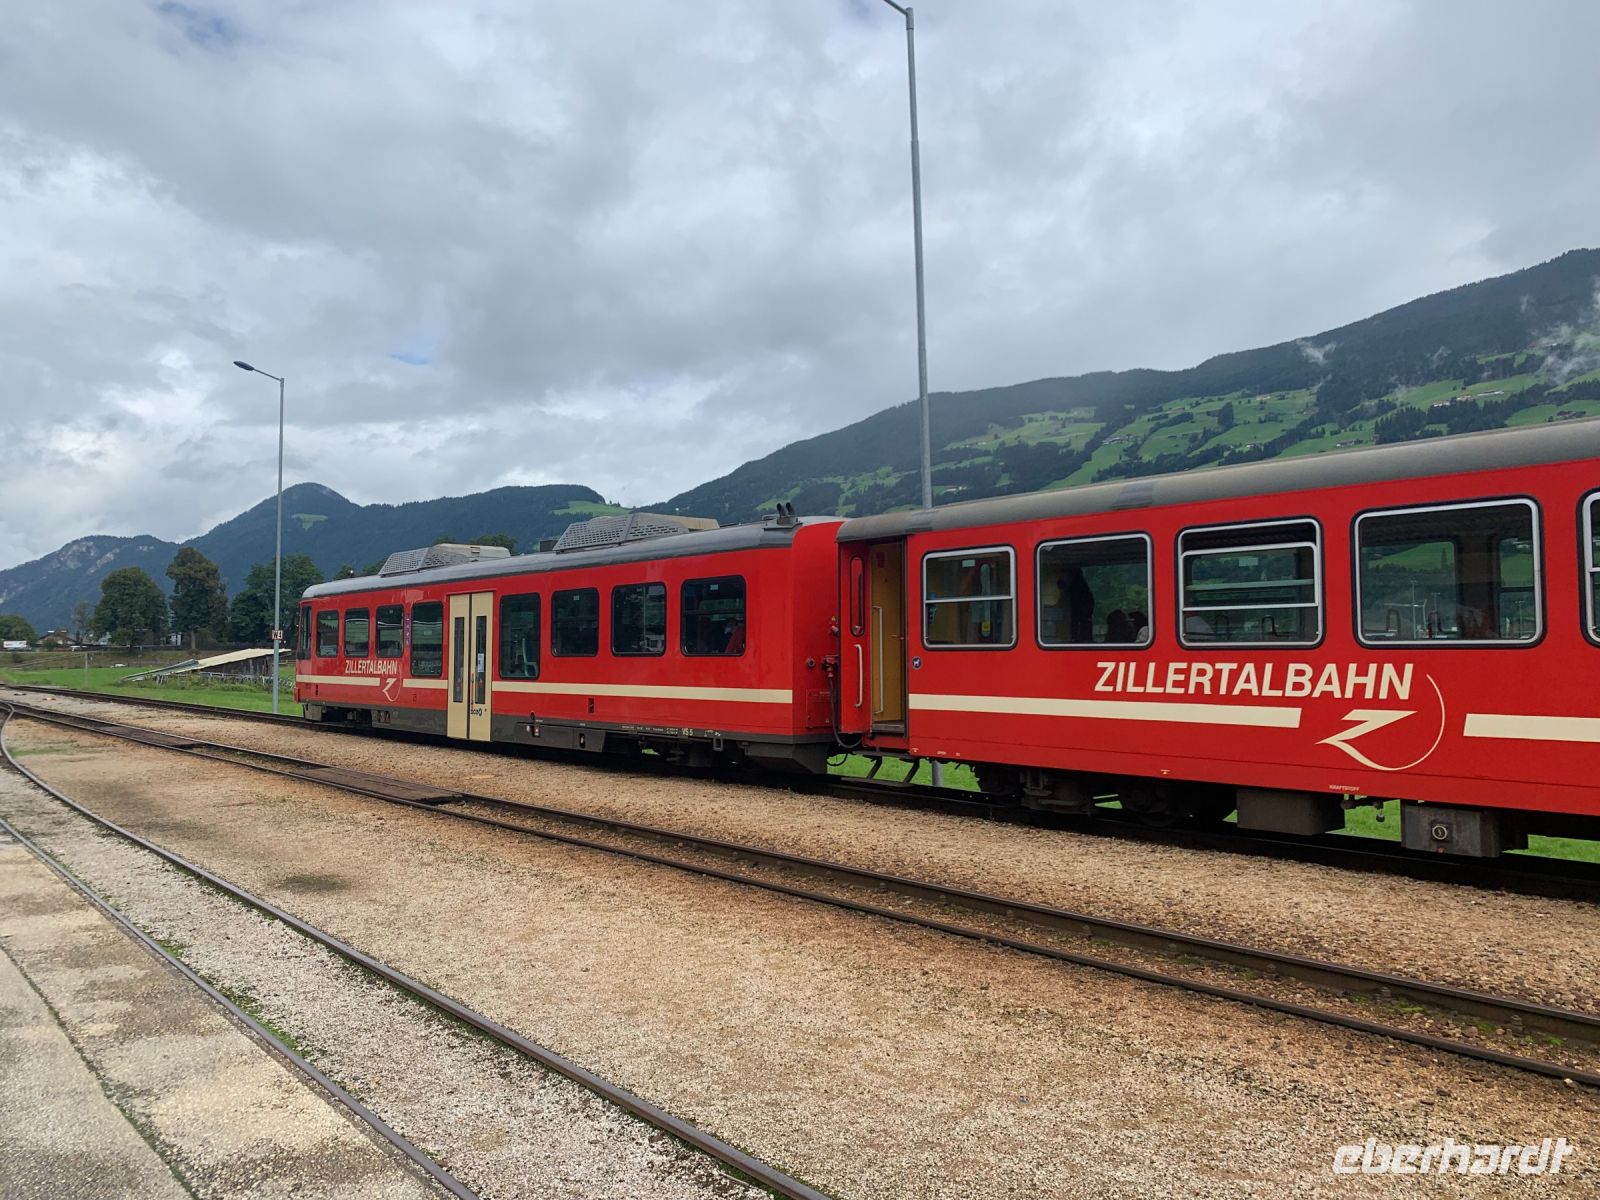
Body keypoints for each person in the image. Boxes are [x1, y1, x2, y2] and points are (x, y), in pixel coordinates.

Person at [1059, 567, 1095, 643]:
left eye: (1064, 576)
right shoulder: (1079, 591)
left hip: (1079, 627)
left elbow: (1078, 613)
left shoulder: (1078, 593)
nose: (1062, 579)